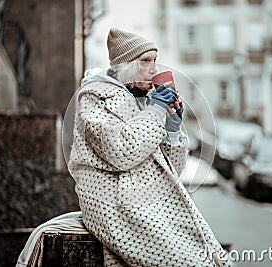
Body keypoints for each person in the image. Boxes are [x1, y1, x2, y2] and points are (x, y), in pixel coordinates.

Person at [68, 27, 229, 267]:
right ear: (126, 65)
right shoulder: (94, 97)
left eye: (155, 61)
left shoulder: (141, 100)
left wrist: (172, 130)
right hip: (115, 204)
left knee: (209, 257)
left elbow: (170, 170)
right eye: (145, 61)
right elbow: (121, 151)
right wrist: (155, 112)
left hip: (150, 202)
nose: (154, 70)